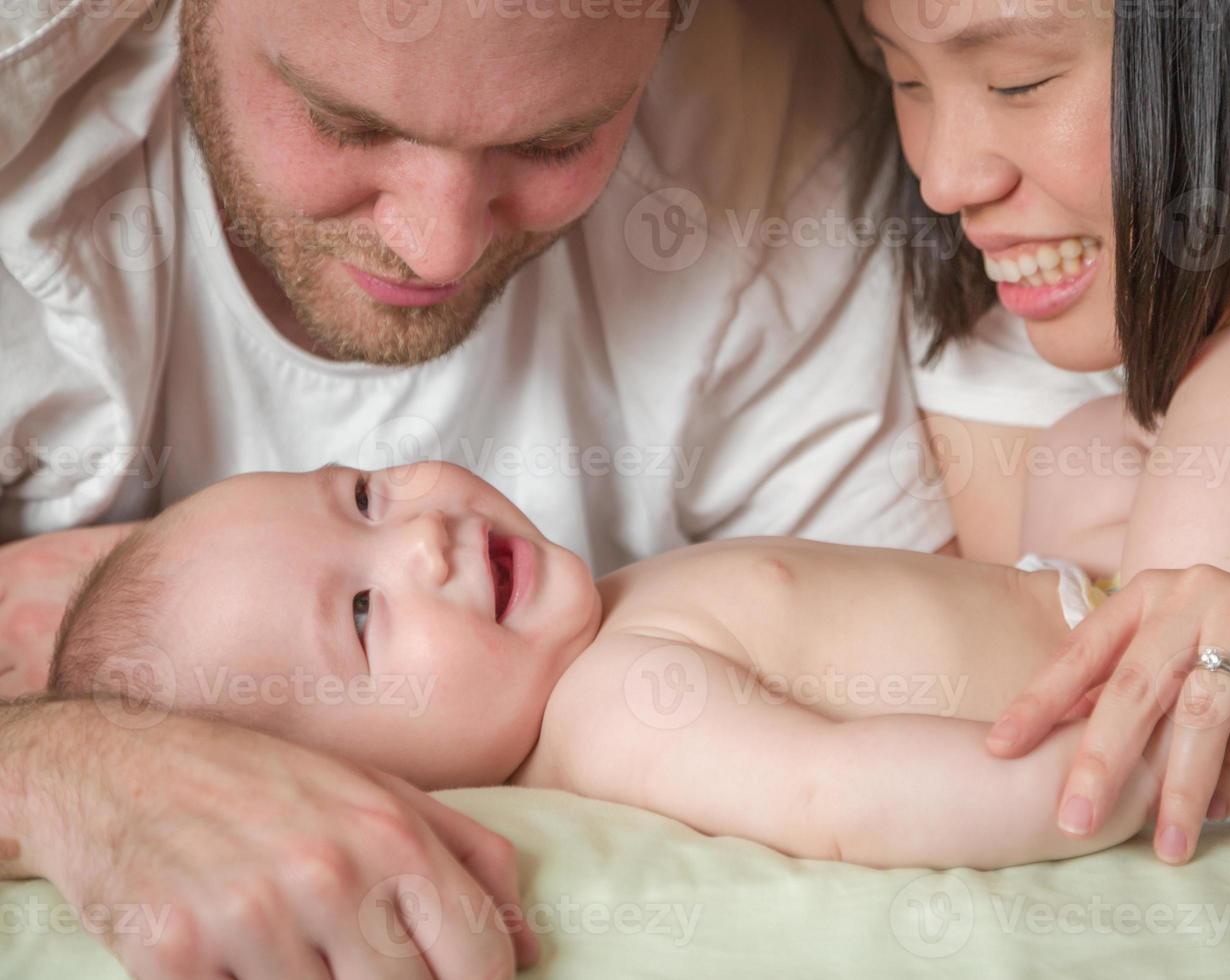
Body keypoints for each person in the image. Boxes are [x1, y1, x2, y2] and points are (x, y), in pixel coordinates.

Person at [0, 1, 952, 975]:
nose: (438, 248)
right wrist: (78, 767)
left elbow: (933, 645)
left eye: (556, 143)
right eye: (346, 122)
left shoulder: (767, 145)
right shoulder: (25, 136)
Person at [47, 262, 1230, 885]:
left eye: (360, 494)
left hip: (1122, 612)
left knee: (1083, 462)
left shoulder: (596, 643)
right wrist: (1111, 764)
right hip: (1212, 710)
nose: (412, 537)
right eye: (362, 616)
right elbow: (836, 799)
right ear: (373, 787)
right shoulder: (619, 714)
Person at [856, 0, 1230, 863]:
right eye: (906, 78)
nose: (945, 180)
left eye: (1018, 81)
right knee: (1085, 468)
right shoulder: (1023, 326)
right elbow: (1137, 745)